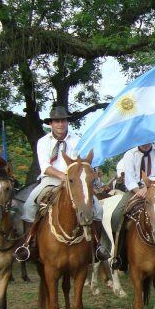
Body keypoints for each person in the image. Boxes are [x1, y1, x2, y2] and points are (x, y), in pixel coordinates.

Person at [16, 105, 108, 261]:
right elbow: (45, 166)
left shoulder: (78, 141)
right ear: (51, 124)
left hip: (75, 180)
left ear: (67, 122)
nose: (60, 124)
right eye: (56, 121)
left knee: (98, 209)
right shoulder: (43, 142)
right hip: (50, 179)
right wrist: (62, 176)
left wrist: (78, 177)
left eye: (63, 120)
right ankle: (29, 244)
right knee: (29, 205)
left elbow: (81, 163)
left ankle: (96, 246)